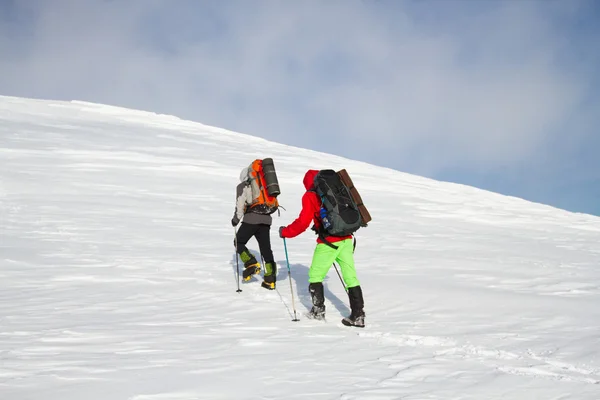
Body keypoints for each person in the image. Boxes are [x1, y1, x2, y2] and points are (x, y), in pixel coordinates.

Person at [278, 169, 365, 327]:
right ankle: (358, 315)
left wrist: (285, 232)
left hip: (329, 243)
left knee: (315, 276)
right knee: (351, 277)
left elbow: (303, 222)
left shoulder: (310, 195)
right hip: (346, 239)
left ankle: (318, 311)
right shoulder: (337, 189)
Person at [232, 166, 276, 290]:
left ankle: (251, 263)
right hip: (266, 220)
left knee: (238, 242)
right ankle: (270, 280)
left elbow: (240, 204)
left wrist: (236, 219)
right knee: (266, 249)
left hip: (251, 219)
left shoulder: (243, 186)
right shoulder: (264, 186)